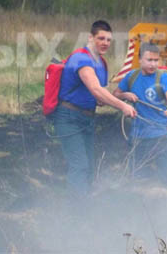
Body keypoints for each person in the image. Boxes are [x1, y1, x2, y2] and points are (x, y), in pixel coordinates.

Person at [52, 20, 136, 198]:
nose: (105, 43)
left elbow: (99, 97)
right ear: (90, 38)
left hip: (87, 119)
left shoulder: (102, 63)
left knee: (89, 164)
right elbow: (96, 89)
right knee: (79, 164)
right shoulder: (81, 58)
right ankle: (76, 209)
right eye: (101, 38)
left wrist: (122, 96)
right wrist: (122, 106)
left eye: (108, 40)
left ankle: (86, 203)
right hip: (68, 117)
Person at [113, 43, 167, 186]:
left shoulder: (164, 77)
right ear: (140, 59)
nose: (153, 64)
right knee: (137, 177)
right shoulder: (131, 76)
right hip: (139, 137)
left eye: (156, 60)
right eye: (149, 60)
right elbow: (115, 95)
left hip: (162, 134)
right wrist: (126, 95)